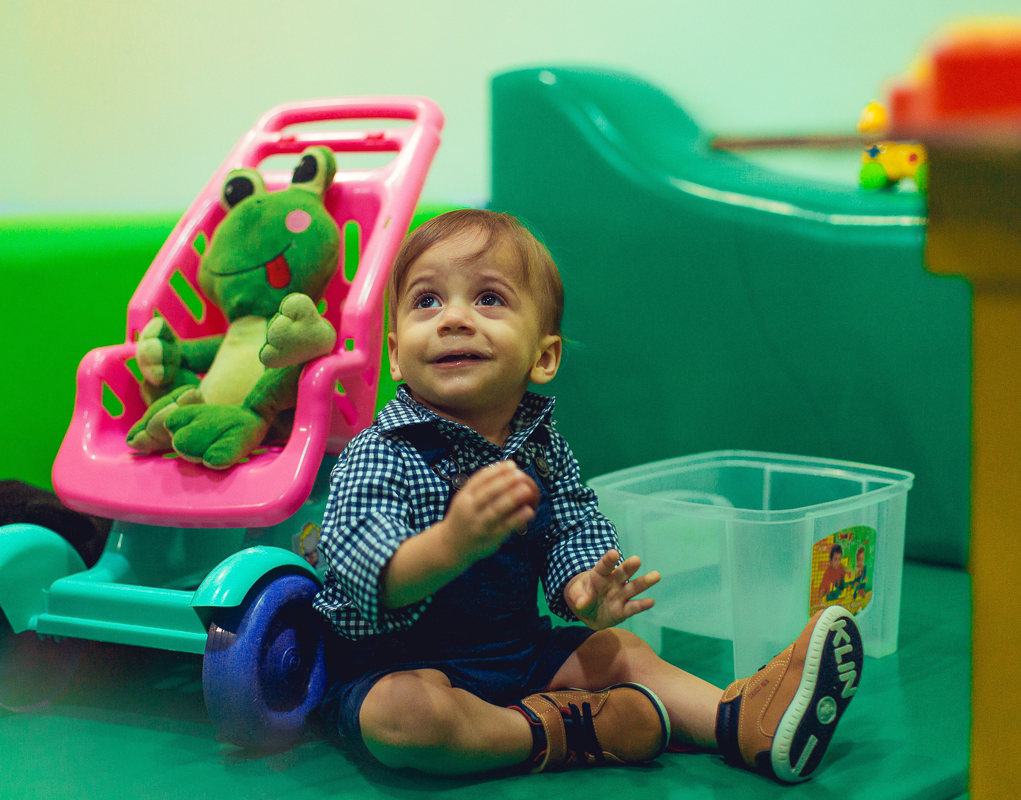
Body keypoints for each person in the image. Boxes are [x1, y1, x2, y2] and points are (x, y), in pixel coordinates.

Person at [312, 209, 863, 782]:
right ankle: (561, 732)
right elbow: (368, 574)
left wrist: (587, 591)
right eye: (427, 301)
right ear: (396, 355)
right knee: (404, 717)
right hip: (394, 666)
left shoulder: (542, 449)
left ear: (543, 357)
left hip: (516, 655)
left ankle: (741, 717)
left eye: (488, 300)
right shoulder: (379, 452)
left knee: (620, 652)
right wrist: (452, 543)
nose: (453, 318)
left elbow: (573, 527)